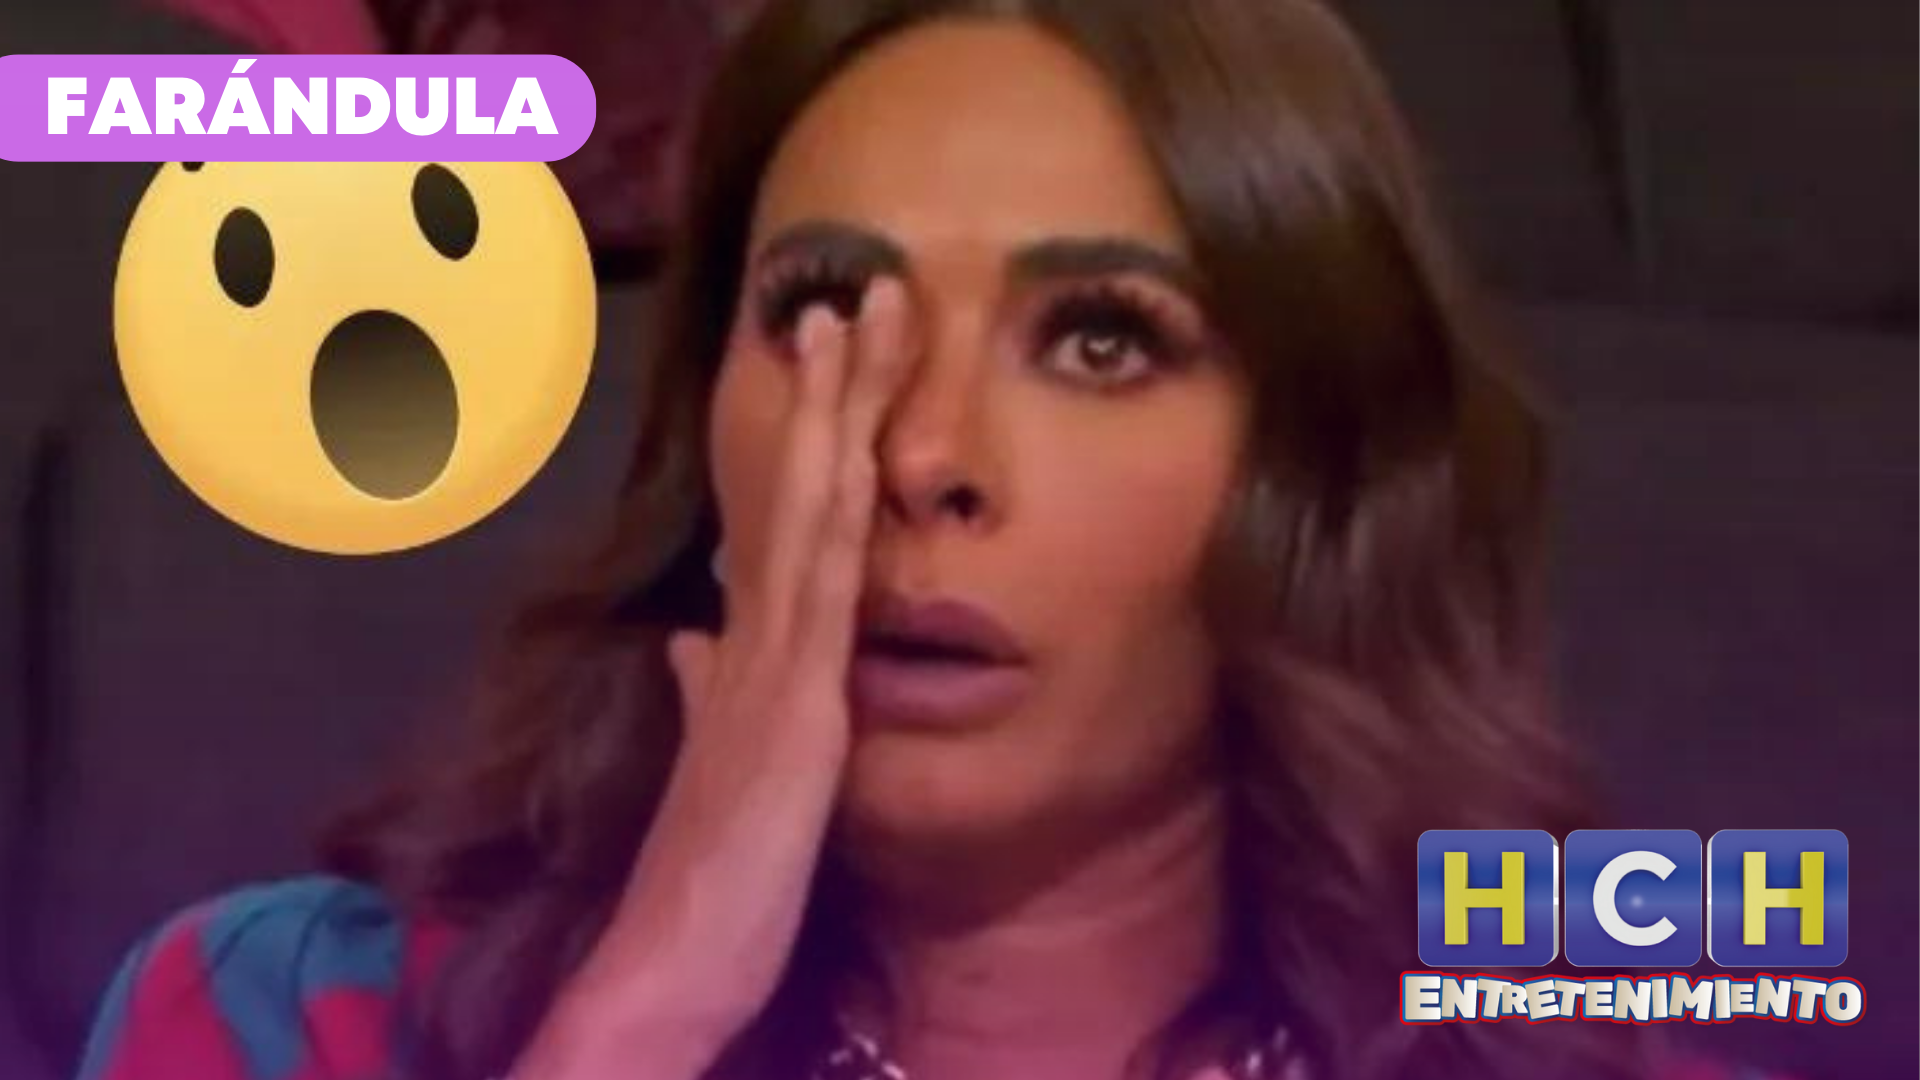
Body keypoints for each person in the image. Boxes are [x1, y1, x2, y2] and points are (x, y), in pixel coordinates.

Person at [75, 1, 1770, 1078]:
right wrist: (645, 1017)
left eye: (1100, 340)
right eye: (827, 314)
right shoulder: (282, 1018)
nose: (926, 454)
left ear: (1312, 472)